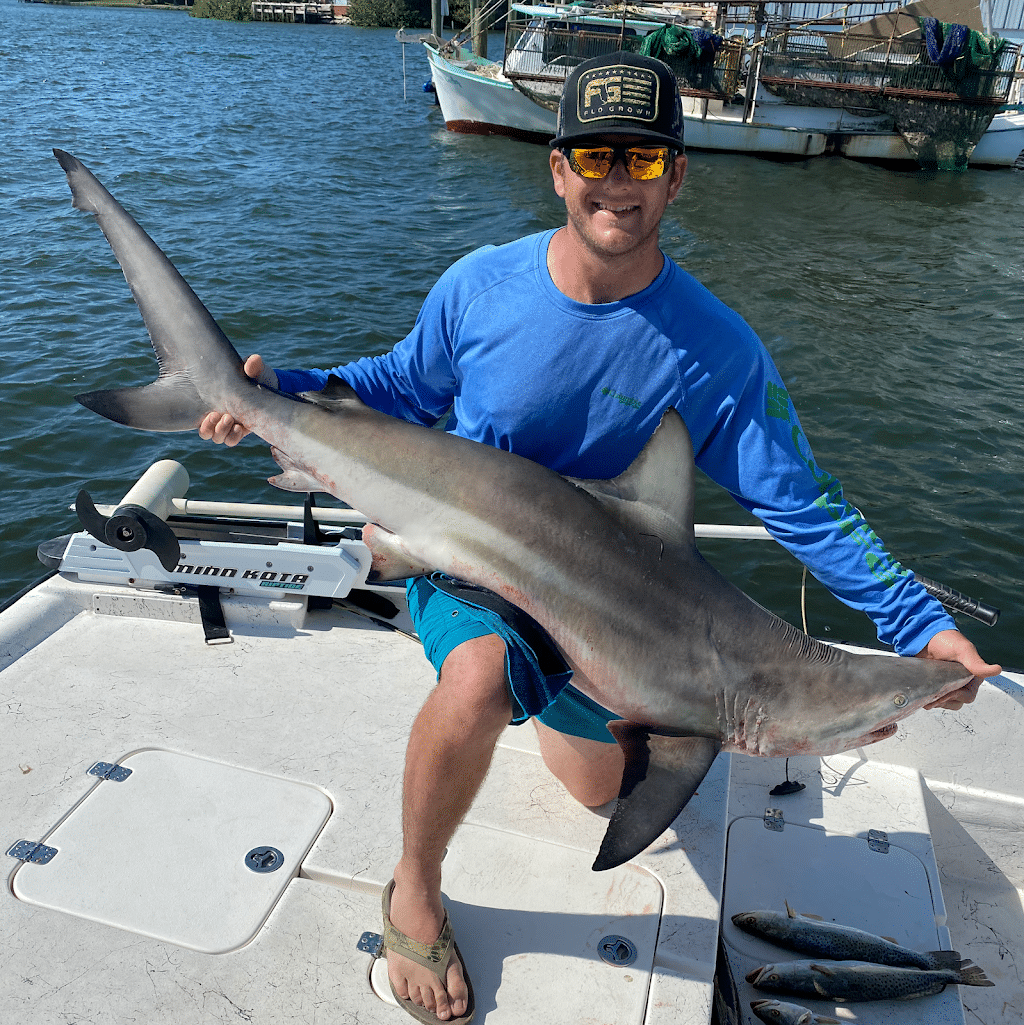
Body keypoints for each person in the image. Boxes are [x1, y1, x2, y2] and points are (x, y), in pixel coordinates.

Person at [199, 52, 1000, 1025]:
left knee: (592, 795)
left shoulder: (714, 349)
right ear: (557, 169)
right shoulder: (480, 288)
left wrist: (920, 624)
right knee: (482, 675)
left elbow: (803, 501)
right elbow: (401, 386)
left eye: (644, 160)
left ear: (677, 174)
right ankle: (413, 885)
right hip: (473, 549)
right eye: (595, 155)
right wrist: (270, 389)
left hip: (625, 581)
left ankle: (568, 688)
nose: (617, 181)